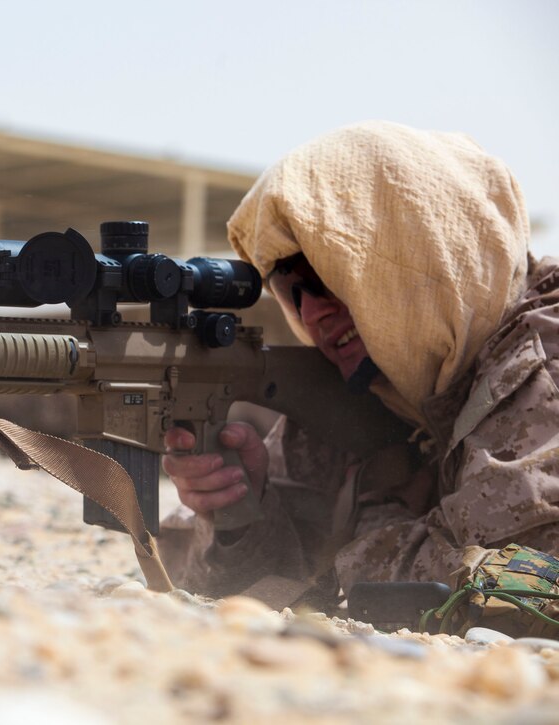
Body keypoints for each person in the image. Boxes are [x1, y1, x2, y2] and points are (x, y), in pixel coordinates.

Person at [157, 121, 559, 621]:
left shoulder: (542, 363)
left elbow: (530, 589)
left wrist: (360, 536)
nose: (311, 313)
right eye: (290, 293)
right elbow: (186, 570)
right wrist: (242, 512)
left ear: (420, 253)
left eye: (328, 275)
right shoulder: (379, 383)